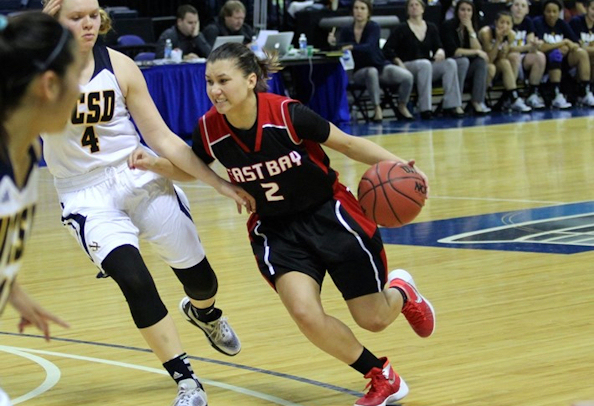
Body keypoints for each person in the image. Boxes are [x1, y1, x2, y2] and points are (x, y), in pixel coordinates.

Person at [130, 42, 436, 406]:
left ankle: (402, 291)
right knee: (305, 313)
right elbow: (194, 169)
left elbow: (349, 144)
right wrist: (154, 164)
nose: (215, 90)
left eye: (223, 80)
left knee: (373, 319)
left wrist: (404, 167)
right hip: (276, 229)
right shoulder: (209, 129)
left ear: (250, 80)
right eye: (209, 81)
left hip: (330, 214)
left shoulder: (288, 115)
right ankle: (380, 375)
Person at [41, 0, 252, 405]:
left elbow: (163, 138)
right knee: (134, 280)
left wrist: (218, 183)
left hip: (136, 172)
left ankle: (204, 313)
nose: (87, 23)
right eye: (75, 16)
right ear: (54, 19)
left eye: (91, 15)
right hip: (83, 193)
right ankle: (187, 381)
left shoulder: (119, 65)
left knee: (201, 280)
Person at [0, 11, 83, 406]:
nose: (81, 90)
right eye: (77, 74)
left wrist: (10, 289)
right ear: (49, 85)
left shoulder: (30, 149)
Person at [383, 0, 474, 120]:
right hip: (407, 66)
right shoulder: (401, 28)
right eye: (411, 5)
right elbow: (387, 49)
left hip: (426, 66)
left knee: (450, 63)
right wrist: (397, 61)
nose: (414, 7)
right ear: (407, 10)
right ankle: (425, 108)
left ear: (423, 9)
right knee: (425, 64)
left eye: (417, 5)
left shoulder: (431, 27)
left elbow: (439, 46)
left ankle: (452, 105)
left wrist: (440, 51)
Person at [328, 0, 414, 121]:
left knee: (407, 76)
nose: (359, 11)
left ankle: (402, 104)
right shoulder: (346, 30)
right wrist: (333, 43)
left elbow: (369, 46)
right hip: (358, 71)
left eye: (362, 8)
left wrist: (352, 46)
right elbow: (340, 49)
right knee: (371, 72)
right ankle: (377, 108)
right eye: (356, 8)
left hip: (380, 67)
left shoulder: (373, 27)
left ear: (368, 12)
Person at [533, 0, 594, 107]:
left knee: (581, 53)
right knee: (555, 53)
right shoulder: (538, 22)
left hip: (563, 61)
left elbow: (575, 44)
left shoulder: (562, 24)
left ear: (559, 12)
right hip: (543, 61)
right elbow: (541, 47)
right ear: (543, 12)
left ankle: (585, 92)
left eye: (554, 11)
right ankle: (555, 94)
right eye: (548, 11)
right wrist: (562, 43)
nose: (551, 14)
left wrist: (568, 47)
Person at [440, 0, 491, 116]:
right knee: (463, 61)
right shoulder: (448, 25)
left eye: (469, 10)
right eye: (462, 10)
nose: (465, 13)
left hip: (466, 65)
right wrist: (476, 51)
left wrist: (471, 31)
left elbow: (478, 50)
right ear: (457, 12)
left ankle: (477, 101)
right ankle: (456, 103)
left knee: (480, 62)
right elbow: (454, 51)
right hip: (449, 66)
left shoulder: (471, 27)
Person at [479, 10, 532, 112]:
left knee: (509, 60)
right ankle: (481, 98)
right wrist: (498, 41)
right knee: (492, 67)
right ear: (495, 23)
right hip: (482, 65)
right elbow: (489, 59)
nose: (505, 26)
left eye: (508, 23)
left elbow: (502, 58)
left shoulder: (511, 35)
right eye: (502, 22)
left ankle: (511, 97)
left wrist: (503, 51)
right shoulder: (486, 33)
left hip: (497, 64)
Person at [509, 0, 547, 109]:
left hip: (523, 58)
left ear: (527, 10)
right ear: (511, 8)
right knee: (514, 56)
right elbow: (507, 48)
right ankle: (512, 96)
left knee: (540, 56)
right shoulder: (506, 21)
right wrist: (527, 47)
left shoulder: (528, 22)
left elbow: (531, 44)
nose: (519, 8)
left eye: (523, 6)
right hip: (508, 57)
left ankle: (532, 94)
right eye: (516, 5)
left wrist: (536, 45)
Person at [570, 0, 594, 88]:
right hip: (573, 58)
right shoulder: (576, 22)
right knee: (583, 54)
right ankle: (584, 90)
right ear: (586, 8)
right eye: (593, 9)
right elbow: (576, 45)